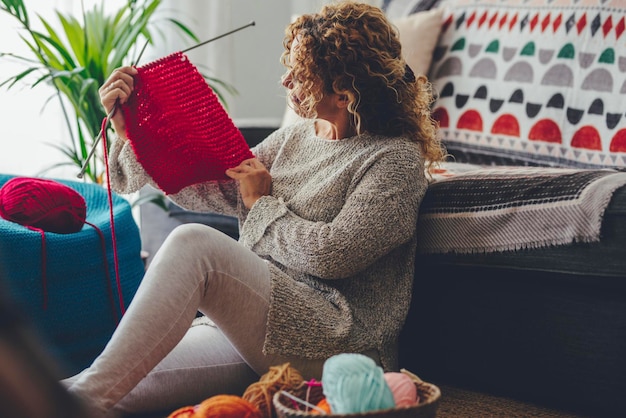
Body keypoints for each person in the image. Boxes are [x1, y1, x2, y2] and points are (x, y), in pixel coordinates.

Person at [64, 1, 445, 416]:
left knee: (194, 243)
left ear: (344, 92)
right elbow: (209, 191)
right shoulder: (296, 138)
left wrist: (261, 205)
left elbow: (333, 253)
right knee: (111, 390)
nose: (285, 80)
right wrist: (131, 131)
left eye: (301, 76)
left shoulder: (395, 162)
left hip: (338, 341)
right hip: (258, 326)